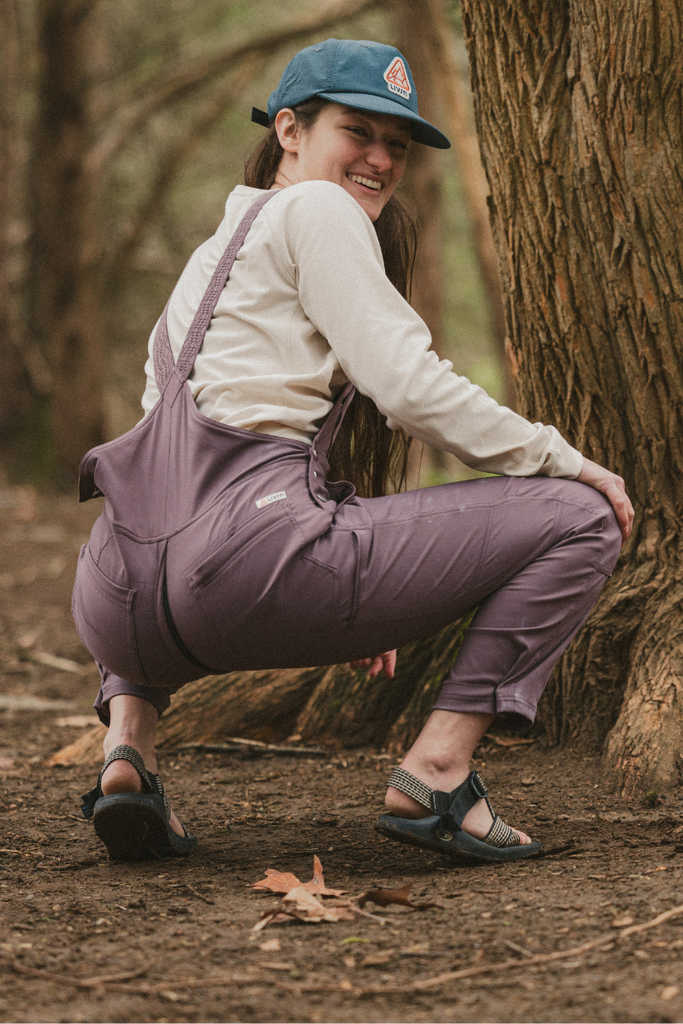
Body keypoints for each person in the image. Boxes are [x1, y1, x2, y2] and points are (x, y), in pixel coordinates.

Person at [73, 38, 633, 863]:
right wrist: (563, 457)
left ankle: (128, 753)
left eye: (395, 144)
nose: (379, 159)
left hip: (114, 602)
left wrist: (354, 570)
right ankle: (438, 772)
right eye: (357, 132)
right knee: (581, 516)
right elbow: (406, 386)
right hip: (245, 573)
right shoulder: (318, 208)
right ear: (289, 130)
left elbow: (200, 451)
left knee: (155, 532)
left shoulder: (218, 249)